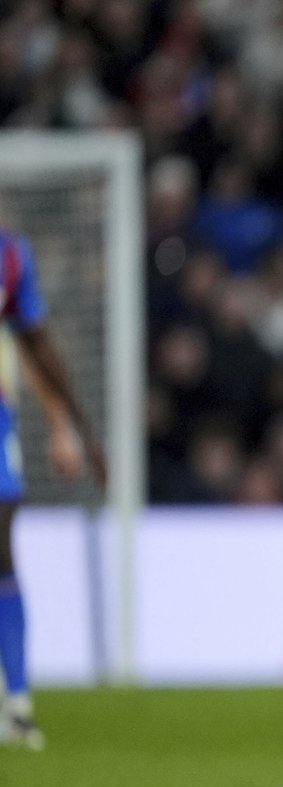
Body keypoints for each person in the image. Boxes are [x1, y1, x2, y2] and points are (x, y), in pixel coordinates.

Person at [0, 227, 107, 749]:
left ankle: (17, 704)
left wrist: (68, 426)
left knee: (1, 550)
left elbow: (33, 343)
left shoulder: (10, 255)